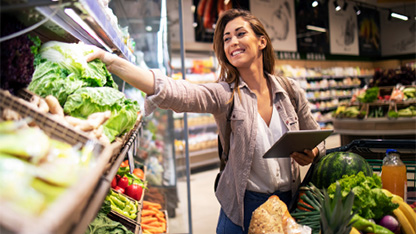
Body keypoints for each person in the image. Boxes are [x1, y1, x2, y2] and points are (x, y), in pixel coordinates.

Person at [86, 8, 325, 234]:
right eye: (226, 39)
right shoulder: (226, 94)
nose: (233, 42)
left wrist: (313, 152)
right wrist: (111, 61)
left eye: (240, 34)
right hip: (243, 206)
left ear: (262, 41)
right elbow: (176, 92)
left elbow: (319, 139)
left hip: (289, 203)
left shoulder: (290, 90)